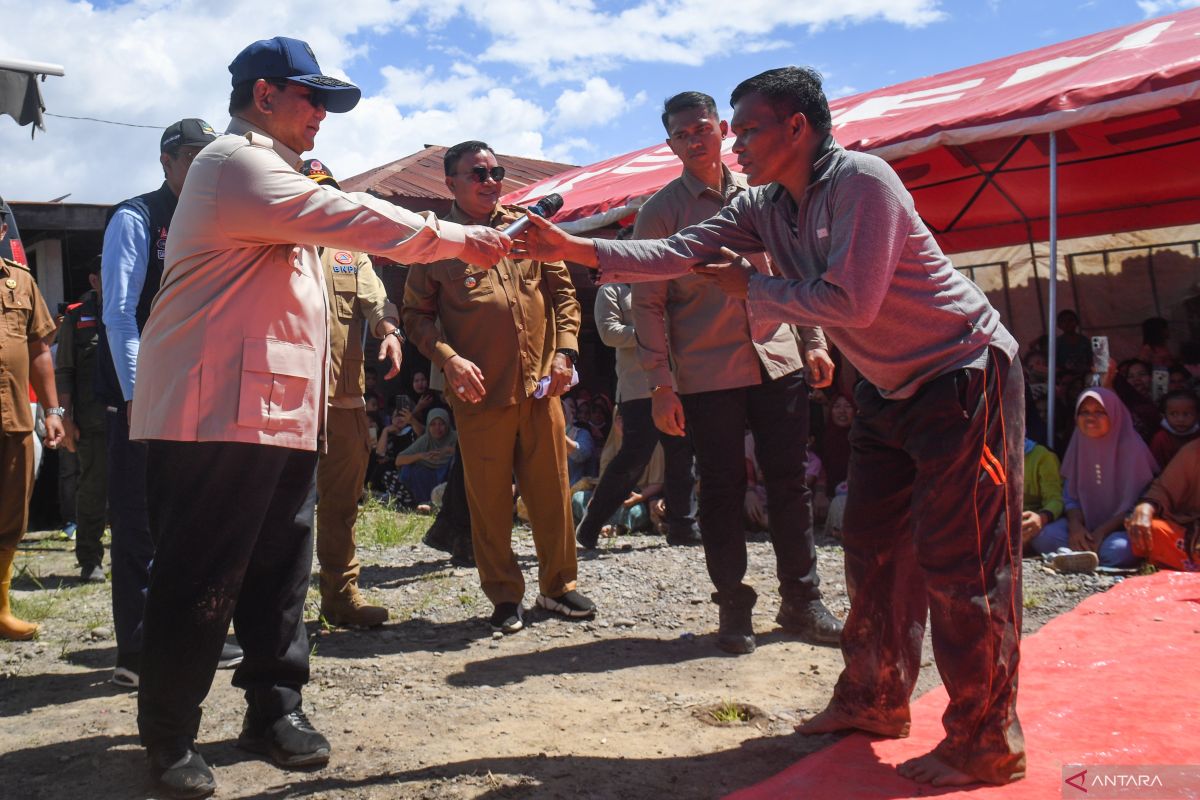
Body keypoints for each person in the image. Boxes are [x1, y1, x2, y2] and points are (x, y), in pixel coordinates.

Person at [517, 66, 1025, 787]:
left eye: (748, 127)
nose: (737, 141)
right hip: (888, 384)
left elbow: (850, 301)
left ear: (797, 127)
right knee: (871, 548)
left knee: (962, 563)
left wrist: (753, 287)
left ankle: (987, 737)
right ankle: (876, 697)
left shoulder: (864, 182)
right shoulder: (766, 205)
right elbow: (674, 253)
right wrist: (570, 247)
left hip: (961, 372)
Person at [128, 38, 509, 799]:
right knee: (198, 576)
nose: (322, 118)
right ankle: (168, 732)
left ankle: (274, 708)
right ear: (265, 95)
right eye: (313, 100)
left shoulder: (280, 172)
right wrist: (462, 239)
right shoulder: (236, 163)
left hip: (276, 408)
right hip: (213, 414)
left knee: (279, 572)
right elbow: (353, 216)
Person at [630, 90, 842, 654]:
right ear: (670, 142)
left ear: (722, 128)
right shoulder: (662, 212)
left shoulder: (768, 193)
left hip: (780, 361)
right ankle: (733, 607)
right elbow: (646, 305)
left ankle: (802, 599)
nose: (695, 139)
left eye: (703, 128)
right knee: (721, 491)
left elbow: (800, 271)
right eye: (682, 133)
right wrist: (660, 386)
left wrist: (815, 341)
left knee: (790, 485)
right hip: (706, 374)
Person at [402, 139, 595, 636]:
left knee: (551, 494)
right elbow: (416, 316)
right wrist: (448, 359)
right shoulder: (435, 241)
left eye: (496, 172)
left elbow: (564, 295)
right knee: (488, 502)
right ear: (451, 184)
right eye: (477, 174)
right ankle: (505, 596)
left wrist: (565, 351)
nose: (491, 182)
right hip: (479, 395)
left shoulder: (529, 228)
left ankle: (558, 587)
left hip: (540, 388)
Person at [98, 117, 244, 690]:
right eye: (190, 154)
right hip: (143, 399)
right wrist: (137, 395)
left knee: (193, 524)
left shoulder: (214, 220)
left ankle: (186, 639)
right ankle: (135, 652)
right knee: (139, 526)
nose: (201, 163)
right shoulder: (136, 217)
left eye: (211, 154)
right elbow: (118, 313)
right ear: (167, 160)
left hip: (200, 395)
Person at [301, 157, 400, 630]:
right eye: (311, 190)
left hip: (343, 404)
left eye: (327, 191)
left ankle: (340, 598)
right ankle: (267, 609)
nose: (321, 199)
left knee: (341, 507)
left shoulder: (349, 251)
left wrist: (389, 330)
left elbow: (376, 301)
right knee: (279, 511)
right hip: (287, 405)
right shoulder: (273, 245)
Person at [576, 282, 700, 549]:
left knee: (681, 454)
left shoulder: (667, 284)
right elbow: (609, 333)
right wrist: (652, 335)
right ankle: (592, 523)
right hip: (637, 388)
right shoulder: (612, 290)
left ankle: (684, 527)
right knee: (634, 457)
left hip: (677, 382)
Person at [1, 209, 65, 640]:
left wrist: (52, 411)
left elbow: (40, 349)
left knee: (11, 515)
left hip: (14, 419)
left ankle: (0, 606)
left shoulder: (20, 281)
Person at [1029, 388, 1158, 571]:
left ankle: (1075, 555)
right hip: (1085, 526)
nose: (1091, 418)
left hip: (1118, 529)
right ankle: (1084, 553)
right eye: (1085, 412)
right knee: (1043, 536)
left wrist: (1101, 533)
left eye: (1100, 412)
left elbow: (1136, 505)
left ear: (1114, 415)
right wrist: (1075, 527)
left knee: (1121, 550)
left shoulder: (1133, 448)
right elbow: (1070, 496)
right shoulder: (1078, 442)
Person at [54, 259, 108, 582]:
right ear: (93, 278)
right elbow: (64, 372)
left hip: (132, 420)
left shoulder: (136, 309)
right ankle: (90, 559)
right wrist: (65, 418)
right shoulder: (76, 317)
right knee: (92, 490)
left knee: (138, 493)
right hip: (92, 422)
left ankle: (142, 560)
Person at [1126, 437, 1200, 571]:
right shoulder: (1194, 451)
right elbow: (1164, 488)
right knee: (1152, 530)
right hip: (1193, 535)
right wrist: (1145, 508)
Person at [392, 407, 457, 504]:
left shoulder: (455, 437)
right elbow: (399, 460)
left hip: (448, 479)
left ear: (447, 424)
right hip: (429, 477)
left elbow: (470, 455)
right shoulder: (426, 439)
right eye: (433, 424)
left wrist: (449, 450)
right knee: (408, 469)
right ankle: (422, 502)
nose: (437, 428)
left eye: (441, 424)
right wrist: (421, 456)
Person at [1020, 438, 1063, 551]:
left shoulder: (1043, 456)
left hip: (1033, 521)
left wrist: (1040, 518)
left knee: (1046, 537)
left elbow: (1056, 500)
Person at [1149, 389, 1199, 469]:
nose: (1180, 419)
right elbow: (1155, 466)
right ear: (1164, 415)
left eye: (1187, 414)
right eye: (1174, 414)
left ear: (1197, 416)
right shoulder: (1160, 438)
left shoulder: (1197, 436)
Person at [1054, 309, 1091, 375]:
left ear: (1077, 322)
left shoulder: (1085, 342)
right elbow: (1053, 365)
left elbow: (1092, 362)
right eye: (1063, 321)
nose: (1067, 323)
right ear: (1059, 325)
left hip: (1084, 377)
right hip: (1063, 378)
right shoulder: (1056, 343)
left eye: (1071, 320)